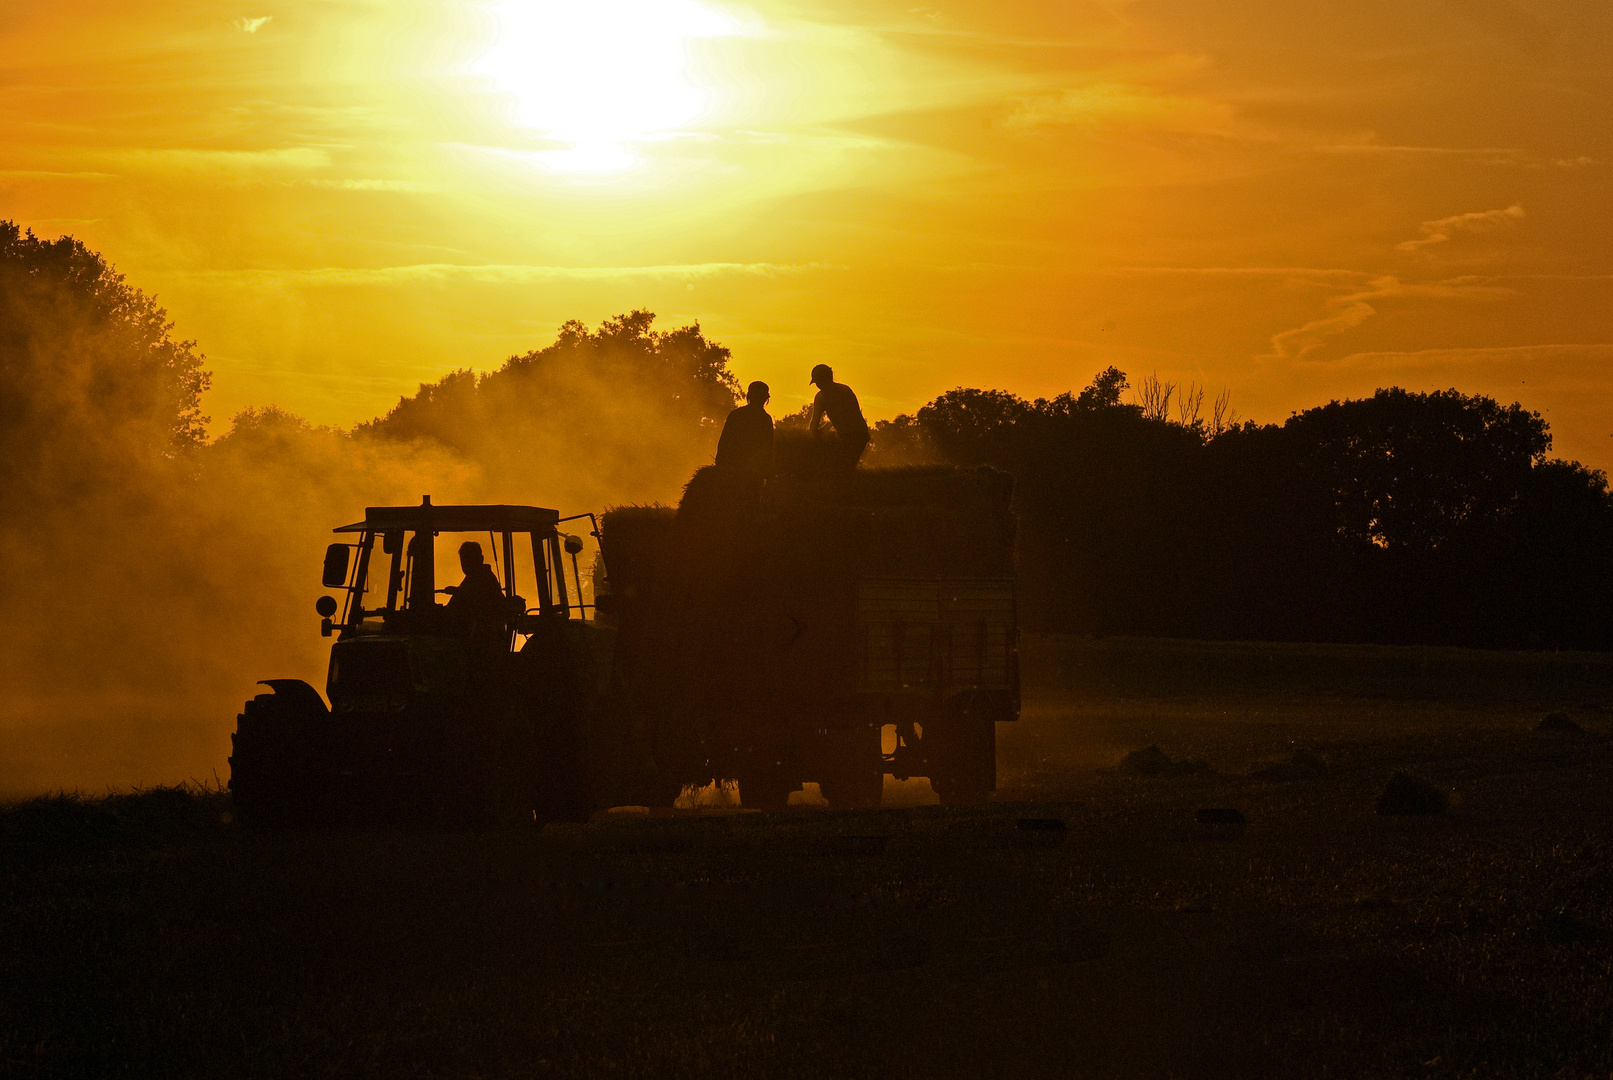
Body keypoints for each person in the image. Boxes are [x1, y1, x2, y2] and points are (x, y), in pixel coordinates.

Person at [807, 364, 869, 470]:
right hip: (861, 434)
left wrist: (810, 440)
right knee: (848, 466)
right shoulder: (845, 389)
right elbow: (847, 415)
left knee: (840, 467)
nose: (817, 385)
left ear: (823, 380)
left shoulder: (821, 397)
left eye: (817, 382)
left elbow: (814, 423)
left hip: (848, 437)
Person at [446, 540, 508, 646]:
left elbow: (476, 597)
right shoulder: (473, 578)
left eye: (469, 559)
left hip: (479, 640)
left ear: (480, 559)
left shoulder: (484, 579)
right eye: (463, 560)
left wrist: (457, 592)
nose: (465, 564)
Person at [715, 380, 775, 476]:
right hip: (750, 471)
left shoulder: (736, 415)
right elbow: (769, 449)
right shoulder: (765, 419)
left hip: (734, 469)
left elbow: (724, 443)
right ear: (766, 398)